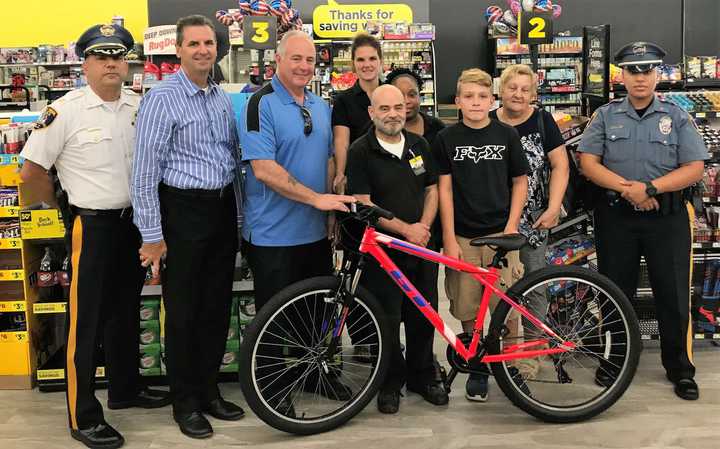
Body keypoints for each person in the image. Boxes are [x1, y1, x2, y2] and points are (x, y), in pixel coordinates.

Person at [20, 24, 171, 449]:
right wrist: (62, 214)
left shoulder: (139, 107)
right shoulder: (65, 111)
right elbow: (31, 174)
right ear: (84, 63)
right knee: (84, 322)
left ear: (128, 64)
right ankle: (82, 414)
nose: (110, 63)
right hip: (92, 225)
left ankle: (125, 388)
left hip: (134, 224)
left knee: (125, 310)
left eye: (118, 56)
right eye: (101, 56)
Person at [131, 15, 245, 439]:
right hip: (181, 211)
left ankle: (209, 390)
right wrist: (152, 235)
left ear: (218, 49)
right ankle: (185, 402)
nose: (203, 50)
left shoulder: (220, 96)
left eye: (209, 44)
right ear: (178, 50)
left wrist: (236, 219)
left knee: (216, 307)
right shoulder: (162, 98)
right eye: (194, 44)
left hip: (219, 212)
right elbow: (144, 172)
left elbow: (230, 163)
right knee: (182, 313)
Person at [578, 42, 708, 401]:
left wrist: (650, 187)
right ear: (621, 75)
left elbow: (695, 168)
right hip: (616, 217)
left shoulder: (677, 115)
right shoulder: (605, 115)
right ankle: (616, 359)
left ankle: (680, 367)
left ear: (657, 74)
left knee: (673, 294)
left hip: (667, 220)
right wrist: (630, 190)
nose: (640, 77)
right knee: (615, 294)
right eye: (633, 71)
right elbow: (588, 162)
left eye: (647, 70)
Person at [239, 30, 356, 413]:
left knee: (316, 315)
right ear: (278, 59)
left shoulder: (321, 106)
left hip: (313, 232)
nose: (304, 66)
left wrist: (328, 211)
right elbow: (264, 170)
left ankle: (316, 376)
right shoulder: (259, 105)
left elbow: (325, 160)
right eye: (296, 59)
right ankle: (273, 392)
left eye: (310, 60)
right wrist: (317, 199)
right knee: (273, 320)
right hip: (272, 235)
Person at [346, 84, 448, 414]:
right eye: (385, 108)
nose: (393, 114)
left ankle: (421, 374)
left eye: (398, 107)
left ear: (406, 109)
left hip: (422, 247)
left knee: (424, 311)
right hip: (383, 250)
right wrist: (406, 230)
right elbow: (363, 202)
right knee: (386, 318)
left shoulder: (419, 145)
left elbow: (432, 189)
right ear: (372, 113)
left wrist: (424, 228)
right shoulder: (361, 151)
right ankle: (390, 380)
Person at [433, 68, 530, 403]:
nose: (476, 103)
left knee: (509, 305)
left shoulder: (506, 134)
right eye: (468, 97)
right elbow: (443, 189)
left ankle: (512, 366)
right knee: (466, 304)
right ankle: (476, 365)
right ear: (457, 101)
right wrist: (448, 237)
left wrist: (512, 224)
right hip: (462, 236)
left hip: (501, 233)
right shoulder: (446, 139)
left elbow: (520, 181)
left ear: (492, 100)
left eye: (482, 96)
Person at [490, 64, 569, 378]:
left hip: (534, 221)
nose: (518, 94)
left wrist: (553, 207)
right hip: (497, 222)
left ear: (534, 94)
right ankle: (503, 353)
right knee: (499, 290)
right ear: (501, 90)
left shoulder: (541, 120)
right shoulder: (489, 119)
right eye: (512, 87)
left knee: (534, 287)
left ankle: (530, 356)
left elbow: (560, 165)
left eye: (525, 89)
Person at [386, 67, 446, 148]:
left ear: (419, 96)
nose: (406, 101)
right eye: (400, 95)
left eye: (412, 95)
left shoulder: (437, 127)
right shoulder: (380, 129)